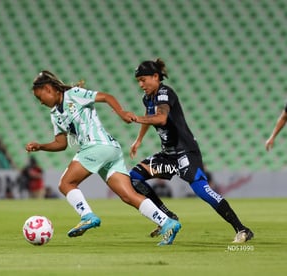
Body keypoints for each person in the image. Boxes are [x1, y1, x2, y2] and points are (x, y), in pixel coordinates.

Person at [25, 70, 181, 246]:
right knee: (129, 196)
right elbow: (61, 143)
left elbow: (106, 97)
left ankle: (87, 216)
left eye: (40, 97)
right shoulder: (55, 115)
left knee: (65, 183)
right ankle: (167, 222)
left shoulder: (73, 94)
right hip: (109, 150)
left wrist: (122, 113)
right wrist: (41, 146)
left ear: (48, 88)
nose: (40, 102)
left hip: (96, 146)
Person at [128, 58, 254, 243]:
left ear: (155, 76)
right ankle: (167, 216)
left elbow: (161, 118)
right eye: (138, 81)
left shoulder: (165, 92)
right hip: (168, 155)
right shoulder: (147, 98)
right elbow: (150, 116)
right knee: (135, 177)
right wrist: (138, 140)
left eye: (143, 80)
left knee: (202, 191)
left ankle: (242, 229)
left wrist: (135, 118)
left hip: (185, 152)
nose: (141, 84)